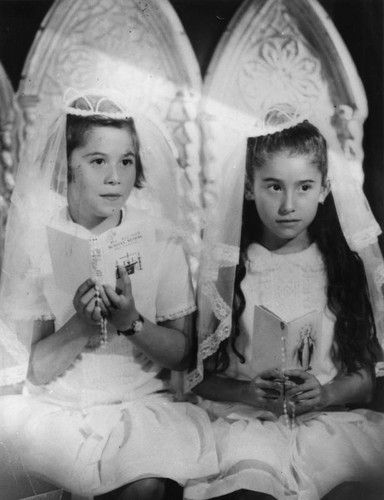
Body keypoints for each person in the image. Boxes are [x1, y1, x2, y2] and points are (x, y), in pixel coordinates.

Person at [0, 88, 218, 499]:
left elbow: (182, 354)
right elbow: (37, 370)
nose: (115, 177)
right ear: (67, 167)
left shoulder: (161, 239)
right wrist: (80, 328)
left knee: (145, 485)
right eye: (97, 161)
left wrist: (130, 322)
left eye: (126, 161)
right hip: (59, 411)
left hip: (141, 408)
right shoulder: (37, 242)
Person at [184, 107, 384, 500]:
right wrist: (245, 393)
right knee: (248, 490)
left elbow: (364, 377)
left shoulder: (342, 269)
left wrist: (325, 393)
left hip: (326, 423)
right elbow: (198, 375)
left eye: (304, 187)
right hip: (248, 424)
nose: (288, 204)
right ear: (248, 187)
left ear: (325, 189)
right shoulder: (227, 269)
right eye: (274, 187)